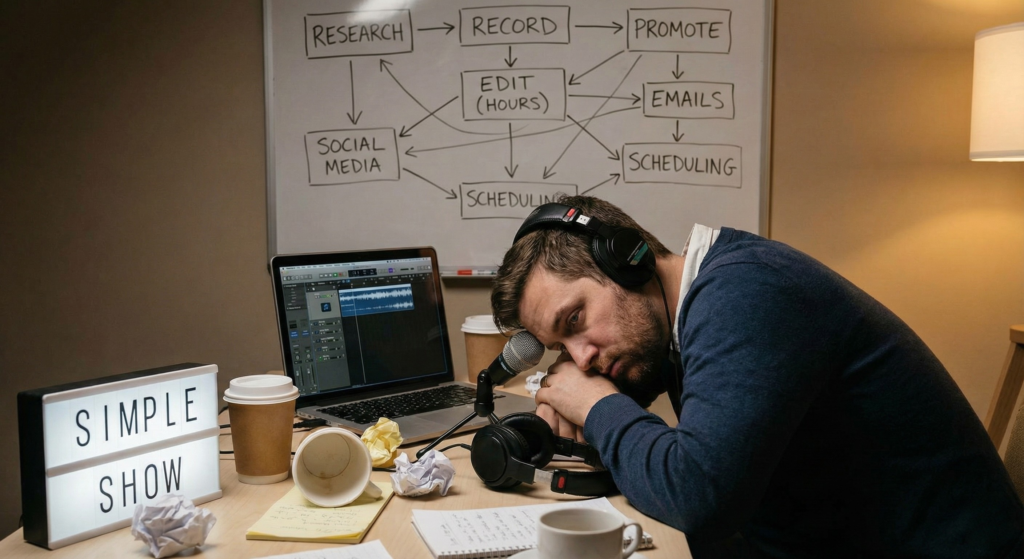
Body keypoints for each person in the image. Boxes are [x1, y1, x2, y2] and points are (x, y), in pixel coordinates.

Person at [490, 195, 1024, 558]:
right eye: (561, 346)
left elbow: (700, 496)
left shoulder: (744, 295)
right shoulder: (693, 317)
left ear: (627, 258)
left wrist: (597, 406)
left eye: (576, 320)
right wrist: (588, 411)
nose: (580, 359)